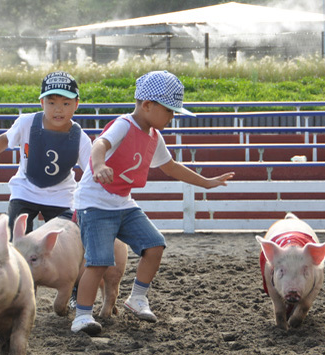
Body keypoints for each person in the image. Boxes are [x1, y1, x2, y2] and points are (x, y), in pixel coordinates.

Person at [71, 70, 235, 336]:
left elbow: (170, 166)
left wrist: (206, 182)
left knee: (154, 243)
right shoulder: (124, 124)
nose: (172, 117)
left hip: (122, 202)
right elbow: (100, 144)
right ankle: (82, 316)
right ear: (148, 105)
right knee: (98, 262)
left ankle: (137, 298)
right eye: (170, 111)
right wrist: (99, 164)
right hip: (95, 203)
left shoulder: (153, 136)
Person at [0, 71, 92, 236]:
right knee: (15, 238)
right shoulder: (26, 123)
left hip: (61, 196)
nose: (58, 109)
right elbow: (5, 139)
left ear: (76, 104)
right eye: (51, 102)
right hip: (25, 191)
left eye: (66, 103)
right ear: (42, 103)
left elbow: (92, 169)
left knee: (68, 239)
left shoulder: (81, 138)